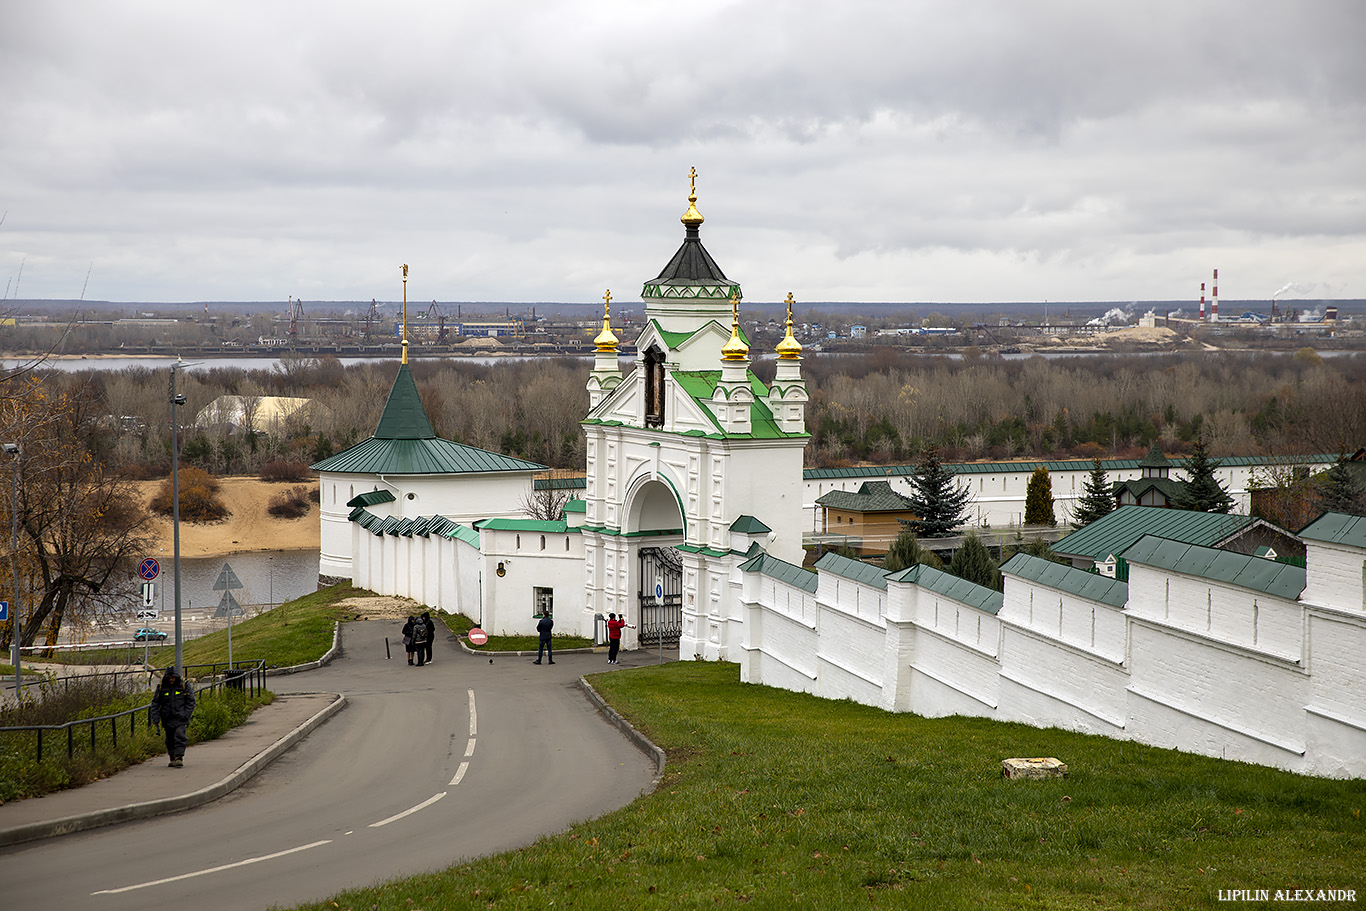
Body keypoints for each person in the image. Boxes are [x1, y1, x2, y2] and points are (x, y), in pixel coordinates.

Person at [149, 667, 196, 768]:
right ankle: (172, 757)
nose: (171, 679)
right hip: (167, 718)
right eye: (169, 677)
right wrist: (156, 719)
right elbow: (155, 703)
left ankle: (179, 757)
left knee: (180, 736)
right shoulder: (161, 688)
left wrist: (185, 714)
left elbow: (191, 701)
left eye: (173, 677)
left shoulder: (183, 685)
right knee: (170, 739)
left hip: (180, 718)